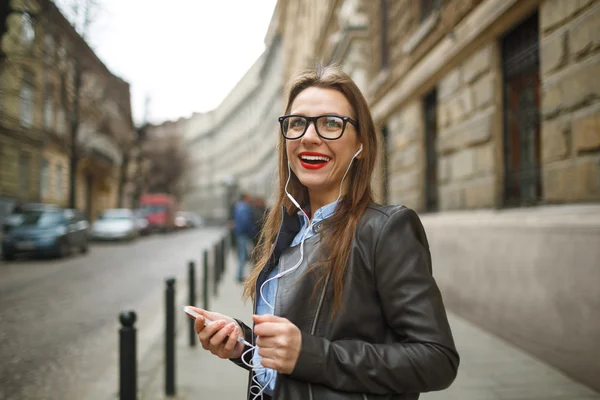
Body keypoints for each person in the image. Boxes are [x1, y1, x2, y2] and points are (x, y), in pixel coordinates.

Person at [189, 65, 459, 400]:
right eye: (297, 123)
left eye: (331, 123)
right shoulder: (288, 230)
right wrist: (242, 344)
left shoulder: (385, 229)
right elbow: (294, 359)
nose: (309, 136)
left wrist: (310, 355)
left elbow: (437, 360)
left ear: (360, 143)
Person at [233, 192, 256, 282]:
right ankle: (239, 276)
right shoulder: (244, 207)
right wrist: (252, 232)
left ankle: (239, 275)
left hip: (240, 233)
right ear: (245, 198)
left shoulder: (238, 206)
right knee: (243, 256)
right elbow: (245, 221)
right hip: (243, 234)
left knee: (242, 255)